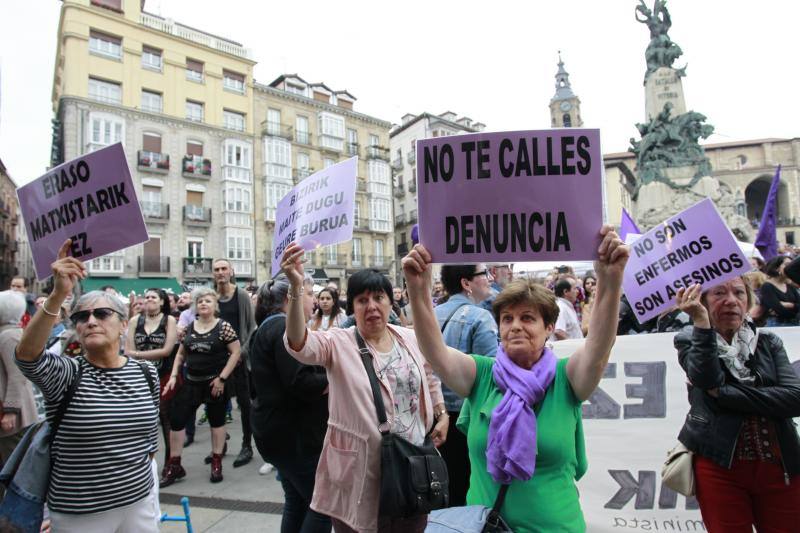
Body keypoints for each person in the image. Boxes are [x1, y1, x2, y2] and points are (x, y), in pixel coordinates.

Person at [403, 225, 629, 532]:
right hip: (488, 526)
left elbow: (599, 345)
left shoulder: (566, 378)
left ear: (549, 327)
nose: (515, 326)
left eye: (527, 317)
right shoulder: (482, 374)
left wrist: (611, 279)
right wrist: (418, 289)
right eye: (507, 318)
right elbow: (435, 351)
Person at [281, 243, 448, 533]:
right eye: (362, 300)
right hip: (360, 475)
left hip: (412, 467)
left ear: (389, 303)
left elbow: (429, 374)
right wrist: (296, 287)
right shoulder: (338, 342)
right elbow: (299, 344)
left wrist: (441, 412)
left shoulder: (409, 337)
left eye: (379, 297)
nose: (371, 306)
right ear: (352, 307)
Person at [15, 240, 160, 532]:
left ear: (123, 325)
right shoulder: (66, 374)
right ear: (76, 330)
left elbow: (149, 440)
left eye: (102, 314)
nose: (91, 321)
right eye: (82, 317)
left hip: (139, 502)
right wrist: (58, 296)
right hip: (81, 513)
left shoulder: (146, 372)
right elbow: (27, 357)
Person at [674, 278, 800, 531]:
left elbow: (794, 399)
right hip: (719, 467)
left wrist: (724, 394)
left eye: (739, 293)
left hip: (781, 465)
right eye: (719, 293)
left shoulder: (768, 342)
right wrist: (701, 321)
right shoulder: (690, 338)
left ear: (748, 301)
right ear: (703, 301)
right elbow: (706, 378)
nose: (731, 300)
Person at [250, 274, 331, 533]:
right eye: (309, 294)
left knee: (296, 501)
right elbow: (301, 382)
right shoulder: (281, 327)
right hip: (295, 437)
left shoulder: (267, 326)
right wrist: (334, 377)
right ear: (291, 298)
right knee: (323, 506)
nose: (314, 301)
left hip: (278, 434)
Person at [161, 288, 241, 485]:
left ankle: (216, 461)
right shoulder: (190, 327)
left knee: (217, 422)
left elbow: (236, 352)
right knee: (177, 421)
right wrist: (173, 375)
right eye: (200, 301)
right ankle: (175, 465)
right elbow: (181, 354)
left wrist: (222, 378)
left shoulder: (223, 327)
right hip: (191, 382)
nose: (203, 304)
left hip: (214, 383)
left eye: (207, 301)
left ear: (215, 306)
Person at [434, 264, 499, 506]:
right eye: (484, 274)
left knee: (444, 489)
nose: (489, 279)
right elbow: (493, 374)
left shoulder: (432, 314)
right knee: (467, 491)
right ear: (466, 283)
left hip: (435, 415)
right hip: (467, 419)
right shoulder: (480, 316)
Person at [125, 288, 178, 469]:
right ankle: (139, 462)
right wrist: (140, 355)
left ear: (162, 302)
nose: (149, 300)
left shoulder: (168, 320)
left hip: (163, 375)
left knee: (166, 419)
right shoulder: (134, 321)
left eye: (153, 297)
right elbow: (127, 351)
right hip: (139, 376)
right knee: (139, 419)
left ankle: (170, 464)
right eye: (146, 297)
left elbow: (167, 350)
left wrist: (138, 353)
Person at [213, 258, 257, 468]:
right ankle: (219, 446)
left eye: (224, 269)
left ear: (231, 271)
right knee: (217, 404)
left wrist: (241, 353)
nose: (220, 272)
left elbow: (251, 327)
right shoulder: (211, 297)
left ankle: (247, 445)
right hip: (217, 362)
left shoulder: (241, 296)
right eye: (217, 269)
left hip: (239, 361)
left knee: (244, 405)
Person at [0, 291, 39, 489]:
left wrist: (10, 410)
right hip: (12, 413)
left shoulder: (8, 337)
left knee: (10, 467)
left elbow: (18, 376)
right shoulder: (10, 334)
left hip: (13, 417)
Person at [758, 255, 800, 327]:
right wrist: (795, 312)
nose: (790, 267)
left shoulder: (790, 286)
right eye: (787, 265)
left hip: (794, 324)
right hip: (777, 325)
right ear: (776, 268)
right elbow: (778, 309)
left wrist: (790, 305)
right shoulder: (767, 286)